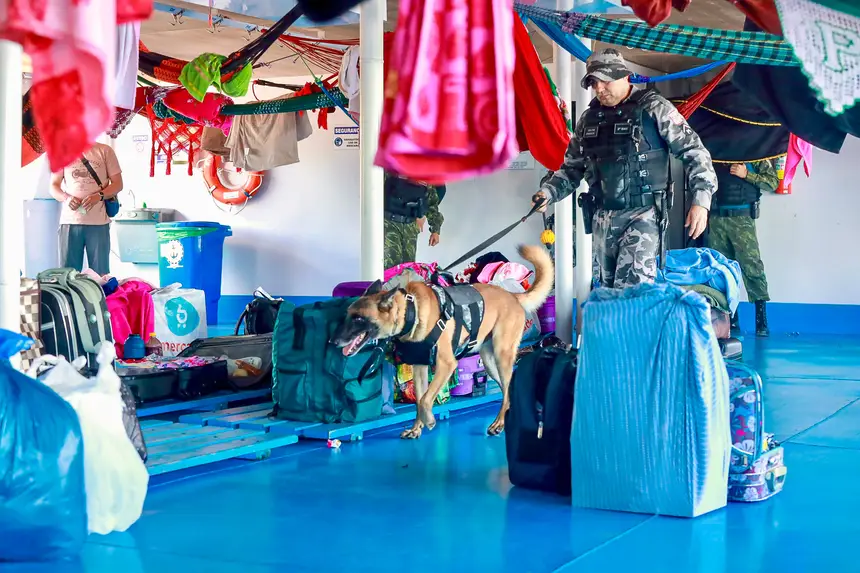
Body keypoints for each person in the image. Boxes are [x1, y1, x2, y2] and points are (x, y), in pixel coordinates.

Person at [533, 49, 717, 289]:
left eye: (605, 81)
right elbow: (571, 169)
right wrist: (548, 193)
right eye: (594, 83)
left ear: (624, 76)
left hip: (643, 216)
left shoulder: (654, 108)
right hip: (602, 218)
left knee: (634, 292)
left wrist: (701, 201)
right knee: (607, 293)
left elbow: (695, 151)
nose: (599, 89)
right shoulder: (589, 118)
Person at [707, 159, 778, 337]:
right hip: (716, 219)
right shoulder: (714, 152)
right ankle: (730, 319)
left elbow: (772, 182)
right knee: (720, 270)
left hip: (742, 219)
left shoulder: (755, 154)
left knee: (752, 266)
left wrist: (747, 174)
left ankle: (761, 321)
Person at [49, 142, 123, 276]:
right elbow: (53, 186)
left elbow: (118, 184)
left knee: (100, 275)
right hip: (70, 222)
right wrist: (66, 198)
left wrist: (99, 196)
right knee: (68, 275)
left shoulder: (104, 150)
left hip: (98, 223)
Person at [383, 171, 444, 269]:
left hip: (410, 227)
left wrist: (435, 230)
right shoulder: (392, 169)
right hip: (389, 224)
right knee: (390, 267)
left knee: (408, 268)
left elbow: (432, 205)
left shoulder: (425, 176)